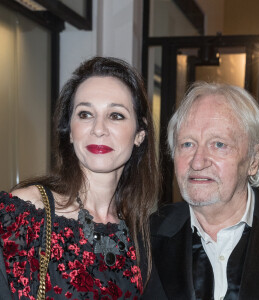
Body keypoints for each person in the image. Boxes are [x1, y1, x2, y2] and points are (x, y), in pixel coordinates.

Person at [0, 56, 159, 299]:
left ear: (139, 133)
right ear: (70, 131)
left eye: (116, 115)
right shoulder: (25, 214)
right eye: (85, 114)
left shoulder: (144, 237)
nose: (98, 128)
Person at [145, 82, 259, 300]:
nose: (198, 162)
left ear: (254, 159)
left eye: (218, 144)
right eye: (187, 144)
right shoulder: (145, 237)